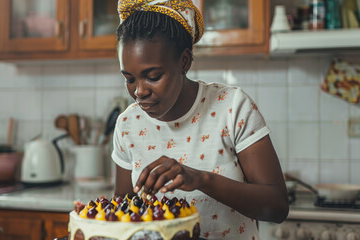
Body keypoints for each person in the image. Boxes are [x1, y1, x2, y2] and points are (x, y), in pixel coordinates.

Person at [111, 0, 289, 239]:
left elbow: (277, 206)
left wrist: (201, 179)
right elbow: (122, 208)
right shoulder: (127, 124)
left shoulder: (232, 108)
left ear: (184, 61)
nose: (139, 91)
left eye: (152, 76)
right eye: (129, 79)